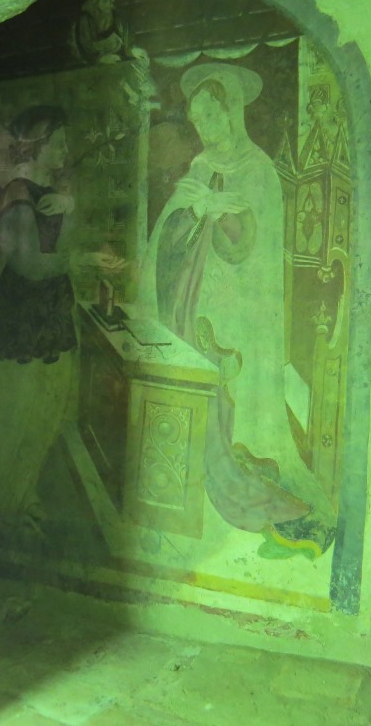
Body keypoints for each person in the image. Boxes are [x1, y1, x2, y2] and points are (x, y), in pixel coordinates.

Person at [139, 64, 335, 558]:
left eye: (211, 115)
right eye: (197, 119)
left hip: (241, 314)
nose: (204, 127)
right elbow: (169, 240)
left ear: (232, 111)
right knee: (199, 394)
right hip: (194, 306)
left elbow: (252, 250)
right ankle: (197, 486)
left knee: (234, 400)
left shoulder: (259, 170)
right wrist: (193, 212)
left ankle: (243, 480)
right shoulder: (199, 168)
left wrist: (227, 215)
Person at [0, 105, 122, 541]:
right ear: (37, 147)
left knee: (47, 412)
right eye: (58, 143)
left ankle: (18, 496)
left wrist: (70, 209)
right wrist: (81, 256)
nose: (65, 150)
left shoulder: (50, 193)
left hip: (52, 315)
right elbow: (28, 265)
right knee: (13, 414)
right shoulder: (17, 195)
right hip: (23, 323)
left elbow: (59, 248)